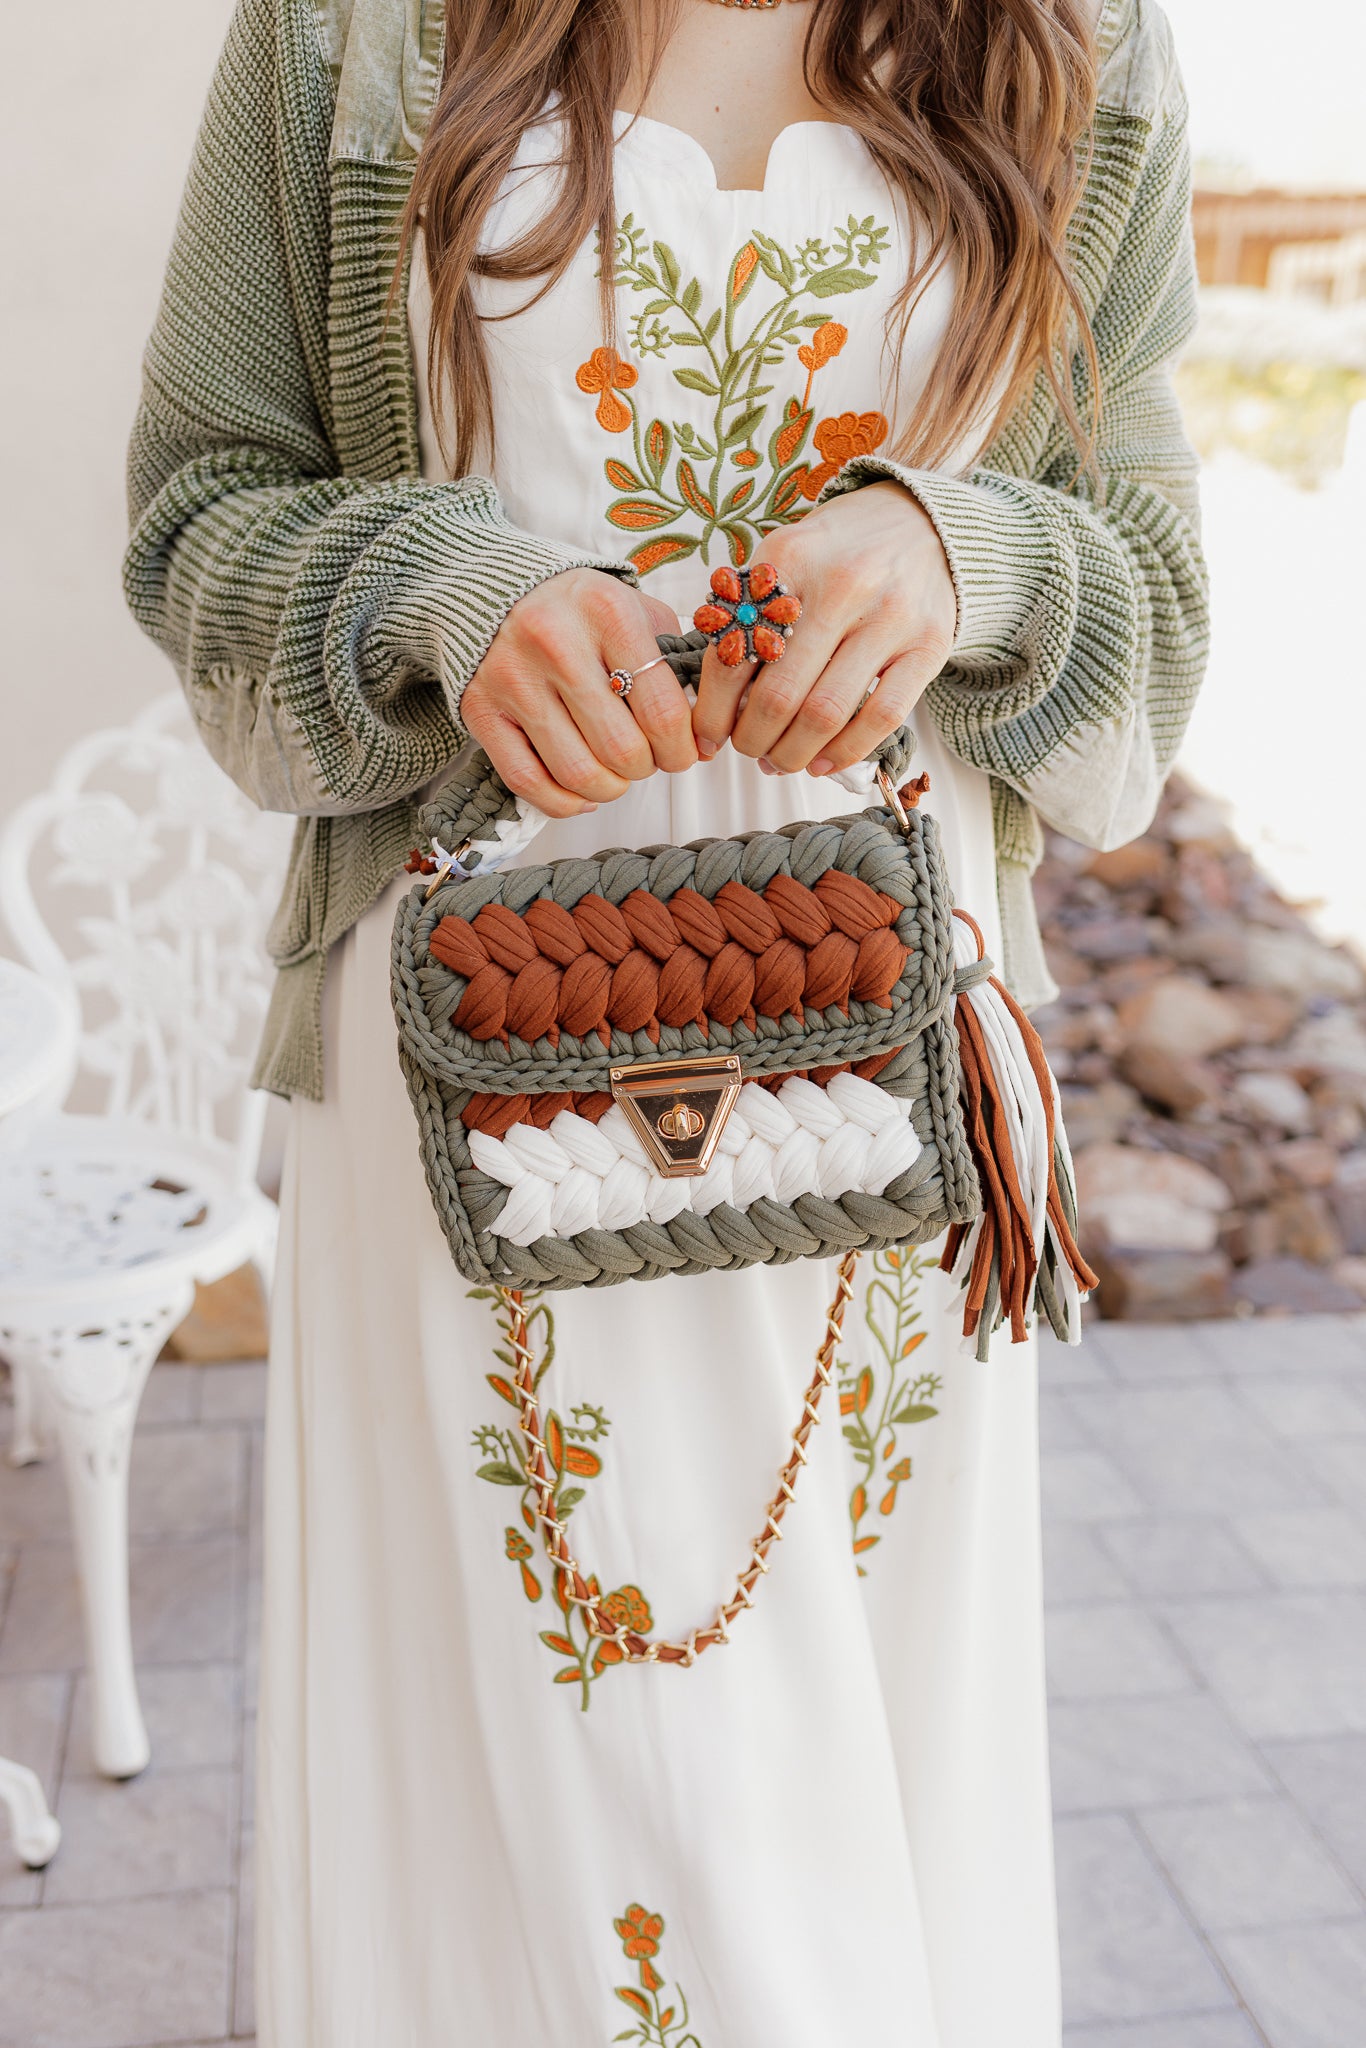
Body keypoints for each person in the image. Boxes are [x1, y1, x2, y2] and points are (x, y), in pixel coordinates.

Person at [125, 1, 1208, 2040]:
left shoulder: (1072, 39)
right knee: (537, 1843)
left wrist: (958, 550)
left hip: (883, 1095)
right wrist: (444, 600)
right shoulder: (345, 34)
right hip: (478, 1088)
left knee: (830, 1839)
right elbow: (201, 524)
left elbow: (1151, 609)